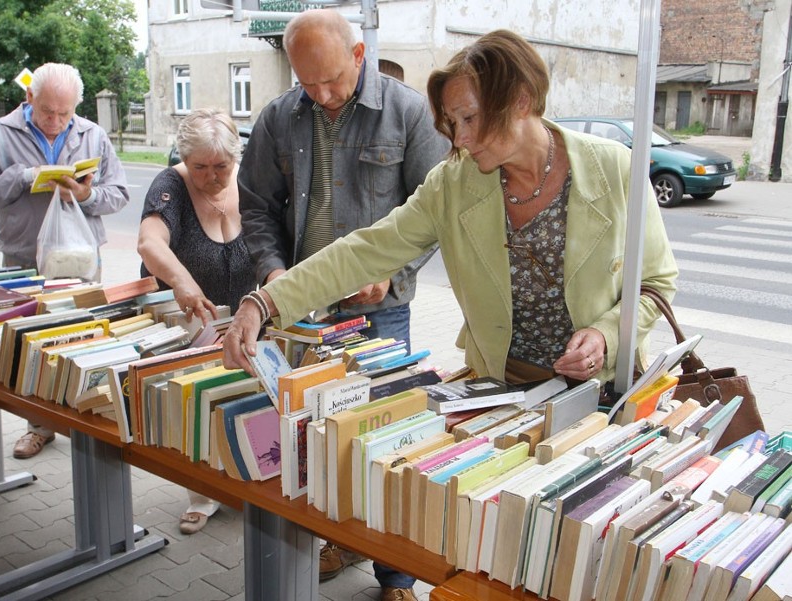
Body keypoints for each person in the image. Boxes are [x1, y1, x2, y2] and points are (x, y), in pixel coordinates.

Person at [224, 24, 677, 577]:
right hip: (505, 401)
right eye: (452, 122)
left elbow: (655, 283)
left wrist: (606, 332)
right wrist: (264, 304)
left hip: (604, 403)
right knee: (506, 558)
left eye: (470, 119)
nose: (459, 139)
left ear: (522, 100)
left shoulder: (615, 169)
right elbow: (362, 251)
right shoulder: (455, 183)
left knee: (587, 563)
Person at [237, 10, 450, 601]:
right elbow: (255, 207)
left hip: (380, 310)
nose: (322, 95)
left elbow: (436, 215)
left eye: (331, 79)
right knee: (312, 437)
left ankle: (396, 576)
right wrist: (275, 276)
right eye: (308, 83)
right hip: (301, 315)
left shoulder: (408, 113)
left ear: (360, 56)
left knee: (387, 439)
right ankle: (333, 537)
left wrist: (393, 272)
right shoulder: (279, 116)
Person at [0, 62, 130, 460]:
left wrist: (85, 196)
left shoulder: (93, 134)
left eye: (64, 113)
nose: (55, 122)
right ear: (29, 99)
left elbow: (120, 194)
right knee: (27, 344)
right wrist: (22, 177)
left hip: (80, 262)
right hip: (23, 260)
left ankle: (83, 419)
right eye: (47, 113)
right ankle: (37, 426)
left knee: (83, 338)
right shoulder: (1, 134)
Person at [138, 108, 255, 534]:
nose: (211, 176)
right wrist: (182, 282)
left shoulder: (248, 178)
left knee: (243, 398)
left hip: (242, 310)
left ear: (234, 158)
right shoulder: (170, 184)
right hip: (190, 317)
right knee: (194, 405)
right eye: (199, 166)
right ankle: (200, 496)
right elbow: (150, 242)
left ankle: (243, 479)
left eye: (221, 166)